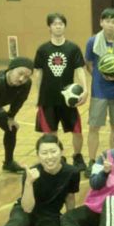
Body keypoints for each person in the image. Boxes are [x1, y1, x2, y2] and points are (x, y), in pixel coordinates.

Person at [34, 13, 88, 171]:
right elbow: (38, 73)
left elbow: (79, 69)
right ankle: (57, 157)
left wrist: (85, 89)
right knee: (50, 134)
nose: (58, 26)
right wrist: (38, 96)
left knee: (77, 131)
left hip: (68, 99)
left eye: (60, 24)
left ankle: (77, 156)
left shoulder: (73, 48)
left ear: (65, 26)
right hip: (48, 99)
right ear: (49, 27)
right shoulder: (43, 49)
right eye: (54, 24)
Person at [85, 8, 114, 170]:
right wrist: (99, 77)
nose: (110, 25)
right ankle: (91, 161)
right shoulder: (92, 42)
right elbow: (89, 64)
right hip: (99, 91)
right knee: (94, 127)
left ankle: (113, 159)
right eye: (107, 21)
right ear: (101, 22)